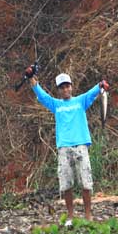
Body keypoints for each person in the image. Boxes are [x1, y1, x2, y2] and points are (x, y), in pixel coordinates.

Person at [28, 70, 109, 223]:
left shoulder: (80, 101)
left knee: (86, 183)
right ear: (59, 90)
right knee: (66, 184)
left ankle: (87, 216)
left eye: (67, 86)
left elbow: (94, 91)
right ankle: (70, 216)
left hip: (80, 146)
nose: (65, 90)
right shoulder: (56, 105)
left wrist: (101, 85)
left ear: (71, 87)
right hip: (64, 148)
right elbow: (40, 93)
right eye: (62, 87)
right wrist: (31, 77)